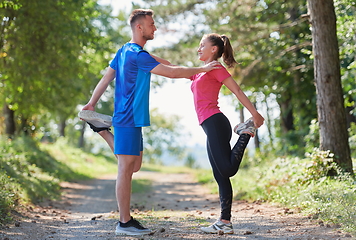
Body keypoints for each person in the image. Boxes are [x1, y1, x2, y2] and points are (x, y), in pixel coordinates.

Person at [79, 9, 220, 236]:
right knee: (125, 168)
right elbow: (171, 73)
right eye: (151, 24)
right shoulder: (136, 55)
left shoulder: (126, 51)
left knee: (135, 165)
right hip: (128, 117)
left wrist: (92, 104)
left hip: (135, 118)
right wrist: (201, 69)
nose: (155, 28)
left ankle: (102, 130)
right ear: (139, 28)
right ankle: (124, 223)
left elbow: (111, 76)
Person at [188, 33, 265, 234]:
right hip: (209, 125)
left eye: (202, 45)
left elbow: (237, 91)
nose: (199, 49)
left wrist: (254, 114)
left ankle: (245, 133)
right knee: (220, 175)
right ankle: (225, 221)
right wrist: (145, 56)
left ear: (214, 49)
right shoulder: (200, 71)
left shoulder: (216, 68)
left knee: (228, 170)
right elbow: (171, 68)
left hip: (215, 122)